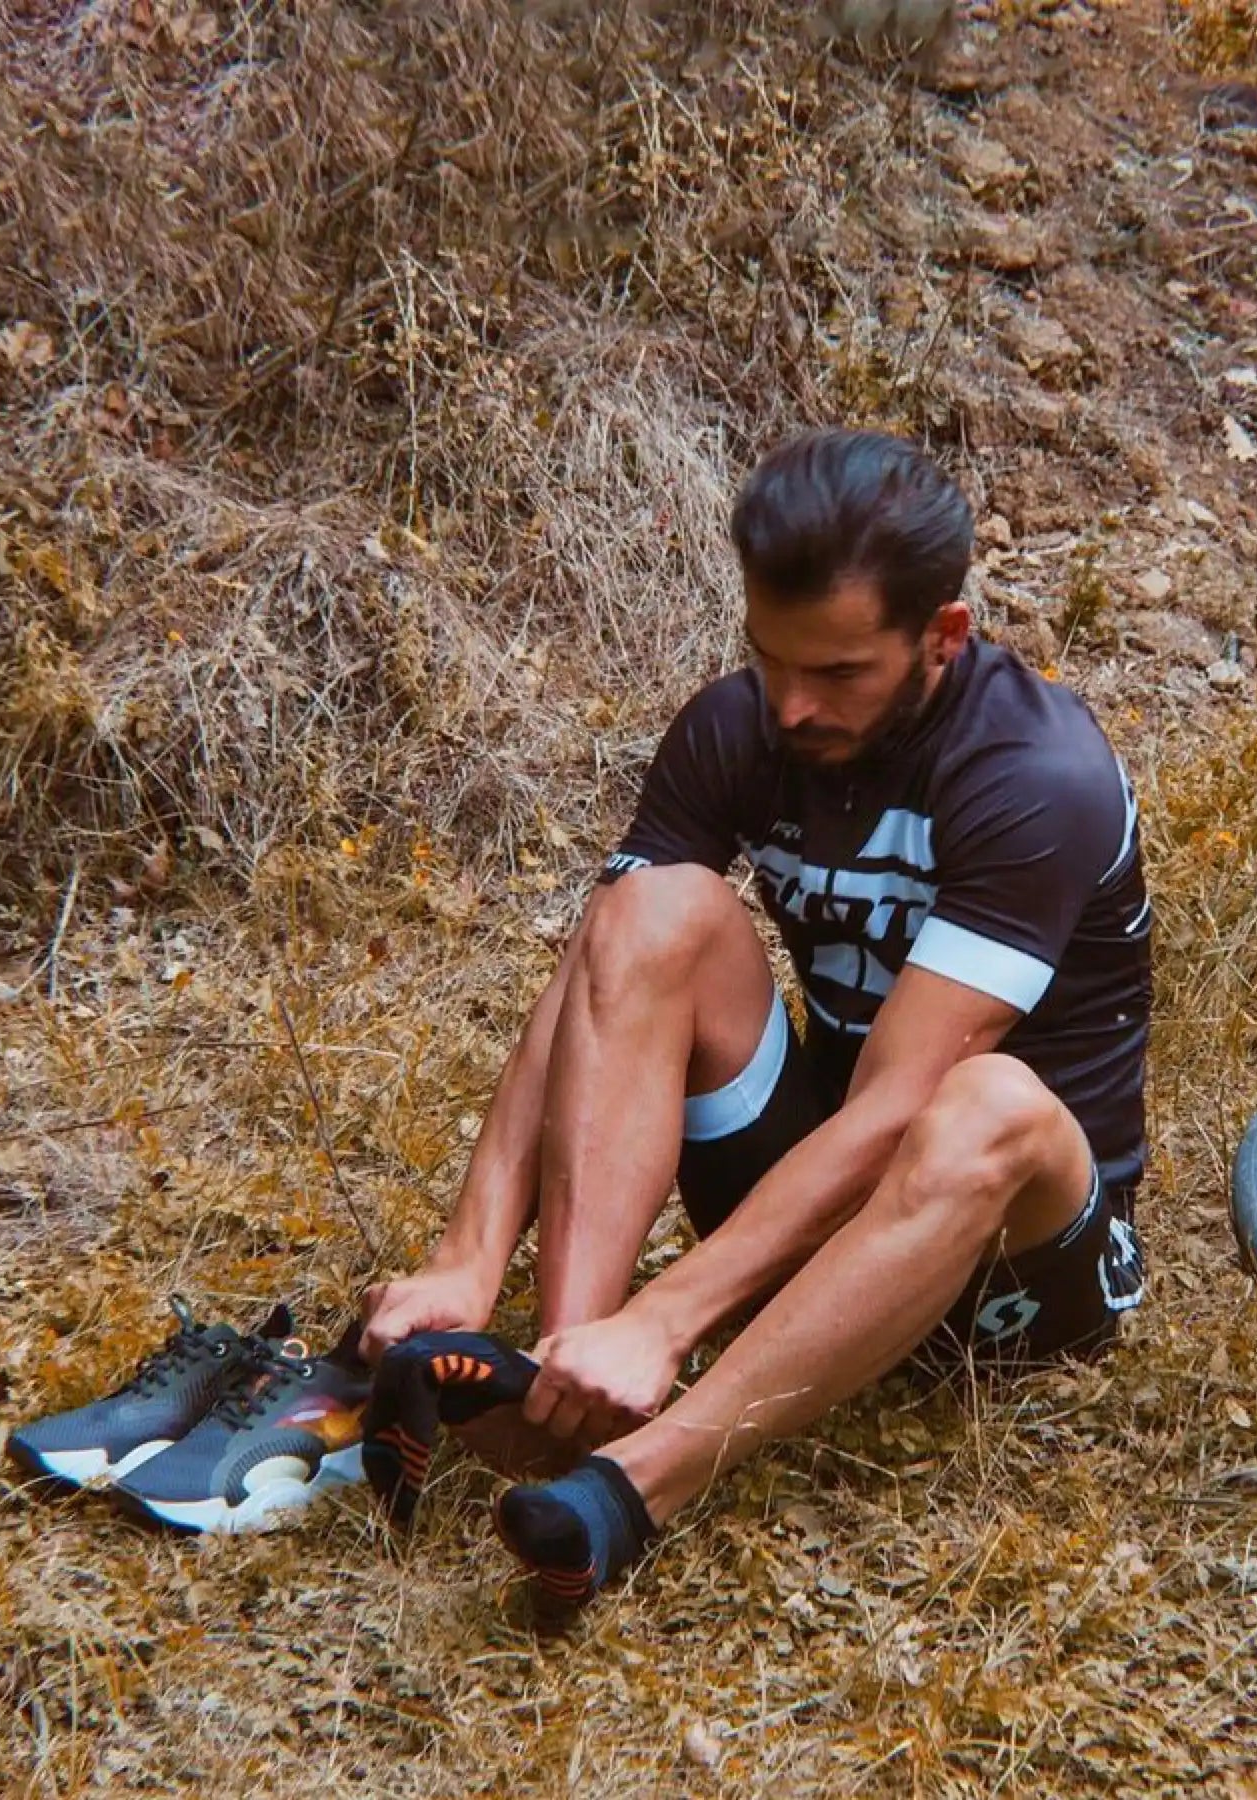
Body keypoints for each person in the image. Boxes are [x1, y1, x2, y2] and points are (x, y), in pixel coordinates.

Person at [357, 427, 1153, 1603]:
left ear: (943, 636)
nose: (792, 706)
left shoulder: (1034, 777)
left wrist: (675, 1315)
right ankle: (565, 1390)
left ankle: (644, 1481)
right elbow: (600, 977)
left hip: (1009, 1263)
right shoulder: (739, 727)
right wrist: (467, 1258)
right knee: (650, 915)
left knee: (981, 1101)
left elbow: (896, 1114)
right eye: (770, 660)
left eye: (839, 674)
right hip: (817, 1211)